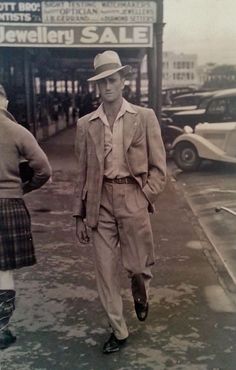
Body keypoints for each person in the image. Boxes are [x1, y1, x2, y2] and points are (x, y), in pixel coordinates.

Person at [74, 51, 166, 354]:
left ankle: (141, 292)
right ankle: (119, 330)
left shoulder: (144, 117)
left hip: (132, 197)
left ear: (123, 81)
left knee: (138, 267)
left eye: (111, 80)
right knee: (105, 271)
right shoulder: (86, 124)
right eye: (101, 83)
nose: (106, 87)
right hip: (99, 202)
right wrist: (80, 213)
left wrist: (145, 195)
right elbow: (83, 172)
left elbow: (159, 168)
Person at [0, 85, 52, 349]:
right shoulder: (18, 131)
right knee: (4, 269)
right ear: (5, 101)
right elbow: (44, 169)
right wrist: (25, 188)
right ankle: (1, 329)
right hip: (9, 204)